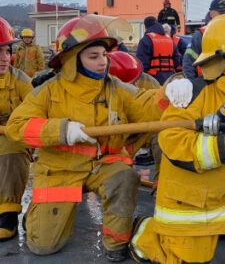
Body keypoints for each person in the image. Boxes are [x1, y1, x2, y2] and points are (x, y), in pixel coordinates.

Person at [4, 15, 169, 262]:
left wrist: (168, 95)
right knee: (43, 247)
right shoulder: (48, 91)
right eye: (94, 56)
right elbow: (17, 127)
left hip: (103, 165)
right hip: (62, 171)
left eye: (105, 55)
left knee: (125, 177)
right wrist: (61, 130)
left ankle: (117, 244)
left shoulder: (114, 87)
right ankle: (37, 216)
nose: (103, 62)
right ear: (73, 60)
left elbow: (143, 103)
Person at [128, 14, 225, 264]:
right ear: (221, 59)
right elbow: (171, 139)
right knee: (192, 258)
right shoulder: (194, 92)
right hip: (193, 196)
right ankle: (148, 233)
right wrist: (221, 145)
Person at [0, 17, 33, 241]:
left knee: (11, 149)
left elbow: (35, 111)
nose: (4, 58)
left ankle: (8, 214)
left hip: (13, 136)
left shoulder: (21, 81)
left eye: (6, 51)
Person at [182, 0, 225, 78]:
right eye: (221, 13)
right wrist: (192, 84)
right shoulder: (200, 35)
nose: (224, 16)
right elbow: (188, 62)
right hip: (204, 84)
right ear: (211, 14)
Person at [136, 16, 179, 85]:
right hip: (170, 78)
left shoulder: (146, 39)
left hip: (152, 79)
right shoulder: (169, 39)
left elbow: (141, 63)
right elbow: (176, 60)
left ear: (145, 27)